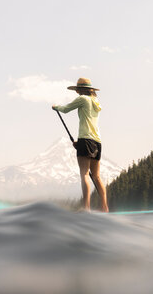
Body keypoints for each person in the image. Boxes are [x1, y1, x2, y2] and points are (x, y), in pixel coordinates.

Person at [52, 77, 109, 212]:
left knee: (84, 174)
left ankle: (86, 208)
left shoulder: (82, 99)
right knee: (96, 175)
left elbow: (65, 109)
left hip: (85, 139)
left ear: (80, 90)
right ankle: (105, 206)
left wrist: (56, 107)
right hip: (97, 141)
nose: (76, 91)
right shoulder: (96, 102)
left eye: (77, 88)